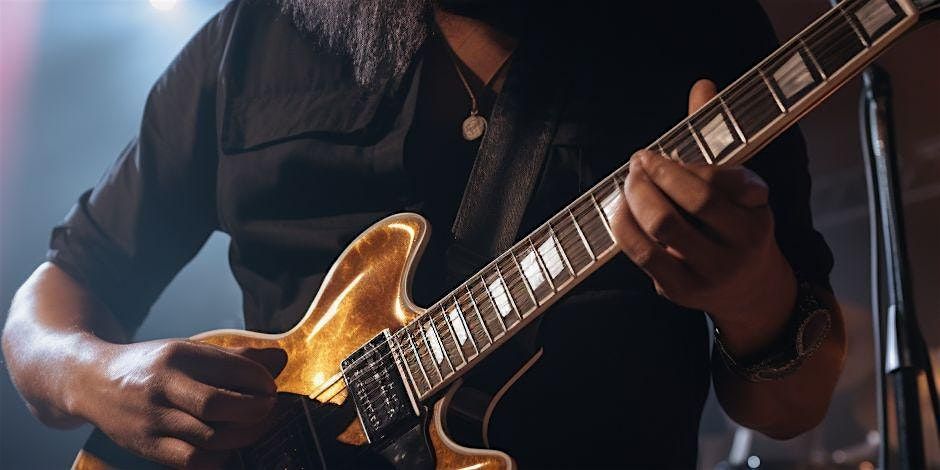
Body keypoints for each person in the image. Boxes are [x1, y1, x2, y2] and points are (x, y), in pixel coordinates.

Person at [2, 0, 846, 468]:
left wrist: (751, 295)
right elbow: (54, 299)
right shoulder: (251, 39)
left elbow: (792, 407)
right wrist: (98, 375)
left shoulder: (697, 27)